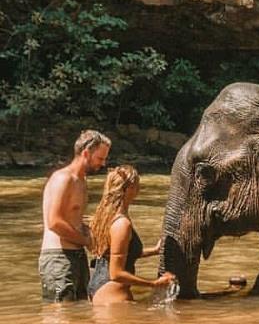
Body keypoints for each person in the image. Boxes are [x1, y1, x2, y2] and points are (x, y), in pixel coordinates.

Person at [39, 129, 111, 302]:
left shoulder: (81, 181)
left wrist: (93, 234)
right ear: (86, 153)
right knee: (61, 315)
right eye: (100, 158)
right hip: (58, 257)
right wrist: (86, 241)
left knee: (80, 314)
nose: (103, 163)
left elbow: (74, 221)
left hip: (76, 255)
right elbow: (54, 222)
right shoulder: (63, 179)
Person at [87, 165, 175, 304]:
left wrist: (154, 251)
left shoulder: (105, 217)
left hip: (100, 288)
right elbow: (116, 273)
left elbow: (116, 254)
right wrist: (154, 283)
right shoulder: (122, 224)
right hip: (113, 294)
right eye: (137, 185)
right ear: (128, 189)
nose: (139, 189)